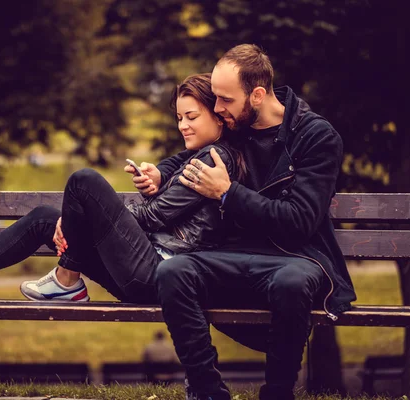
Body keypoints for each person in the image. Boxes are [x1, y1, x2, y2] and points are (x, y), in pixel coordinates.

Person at [0, 74, 245, 312]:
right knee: (43, 218)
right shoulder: (195, 156)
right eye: (179, 117)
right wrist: (158, 176)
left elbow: (153, 217)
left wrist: (77, 224)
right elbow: (170, 171)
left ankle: (67, 279)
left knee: (84, 180)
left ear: (217, 115)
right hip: (145, 267)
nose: (182, 125)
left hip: (160, 276)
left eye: (192, 117)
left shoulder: (214, 161)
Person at [132, 44, 357, 400]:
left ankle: (278, 392)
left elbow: (299, 222)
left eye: (224, 99)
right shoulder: (238, 123)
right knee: (173, 271)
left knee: (292, 282)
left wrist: (227, 192)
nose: (217, 108)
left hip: (297, 258)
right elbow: (190, 154)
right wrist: (160, 172)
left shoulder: (316, 137)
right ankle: (207, 391)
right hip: (232, 254)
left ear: (256, 95)